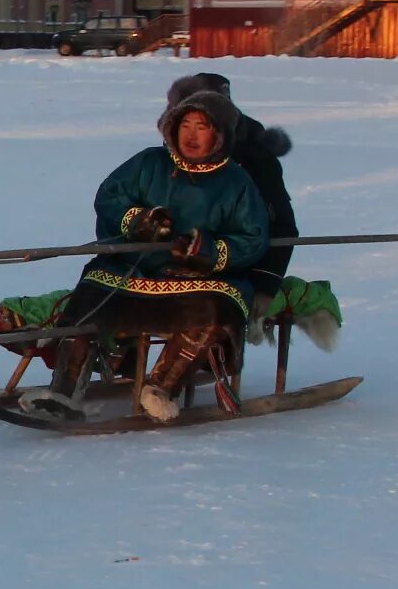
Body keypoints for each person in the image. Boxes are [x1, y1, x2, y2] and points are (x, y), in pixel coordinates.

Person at [21, 88, 271, 423]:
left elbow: (253, 237)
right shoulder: (148, 163)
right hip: (134, 269)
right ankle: (65, 392)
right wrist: (139, 221)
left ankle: (161, 388)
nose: (191, 135)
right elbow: (110, 198)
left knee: (216, 307)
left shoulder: (237, 182)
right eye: (185, 125)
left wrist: (208, 251)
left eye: (202, 126)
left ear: (221, 134)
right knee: (90, 295)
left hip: (198, 279)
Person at [163, 71, 295, 283]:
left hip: (236, 277)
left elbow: (280, 226)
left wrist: (265, 283)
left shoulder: (255, 161)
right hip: (162, 275)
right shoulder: (159, 161)